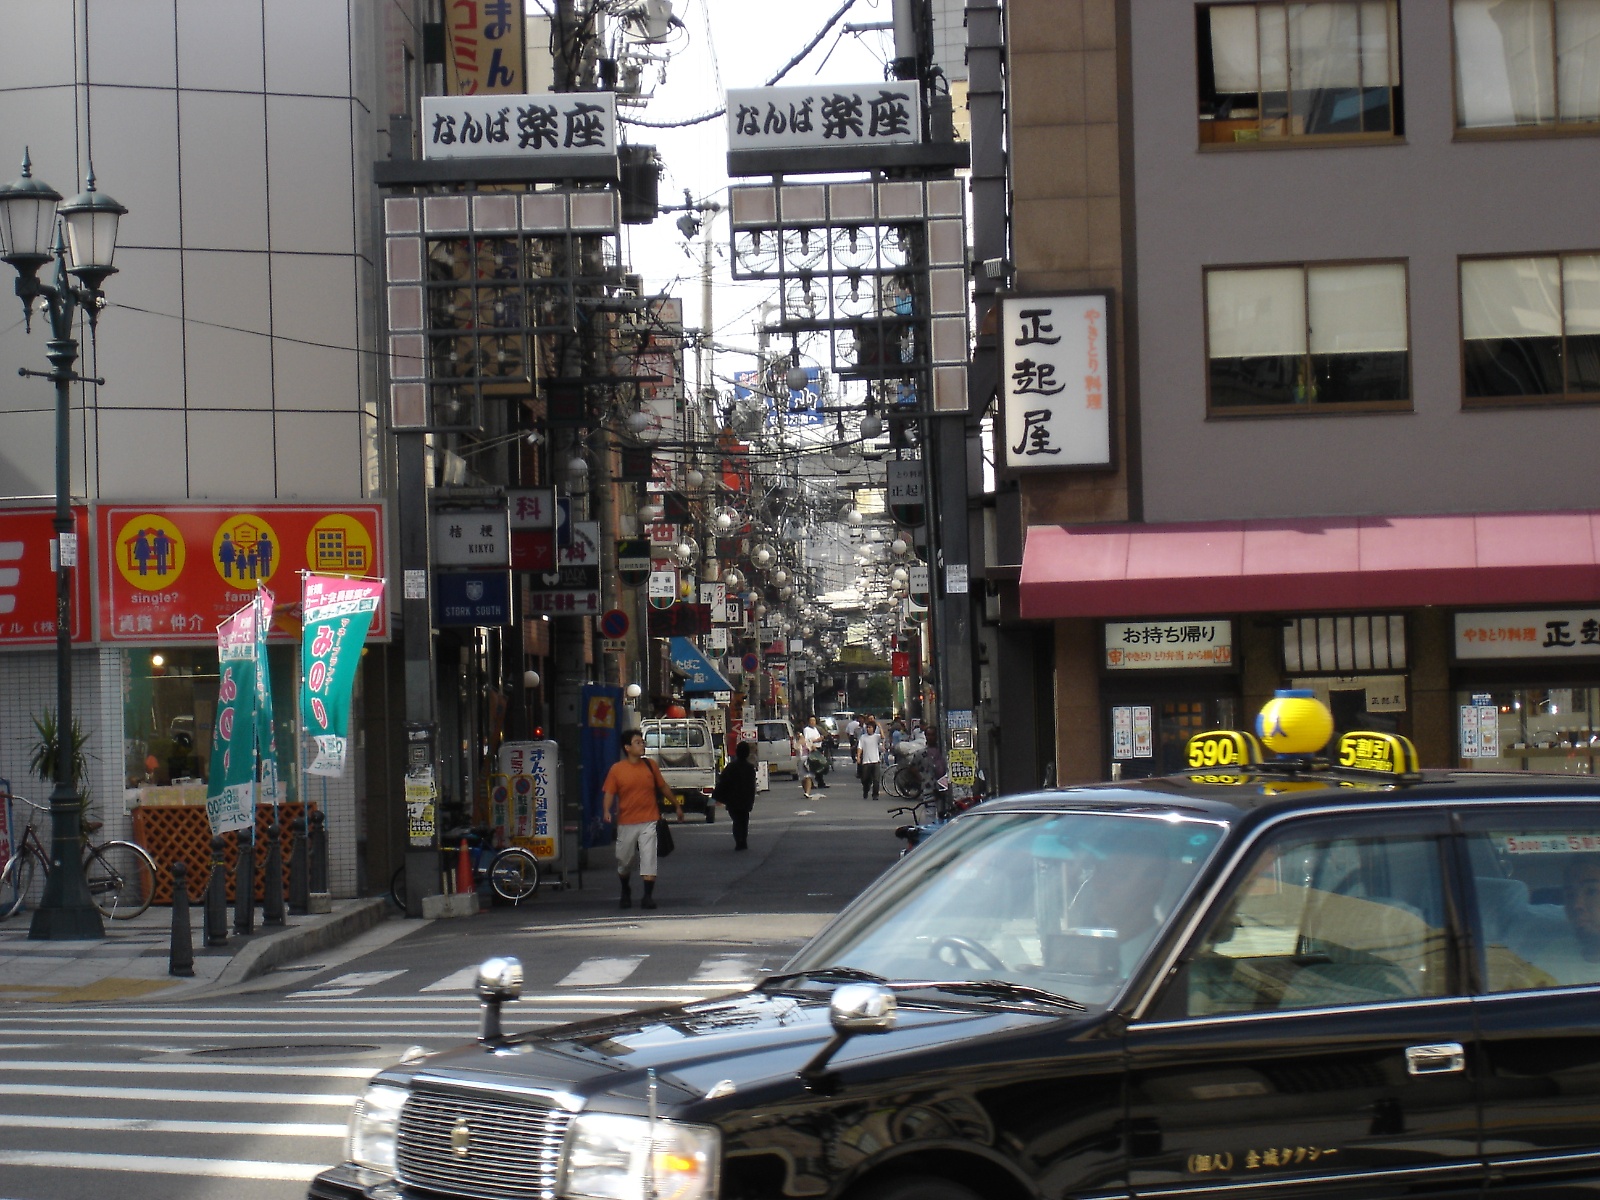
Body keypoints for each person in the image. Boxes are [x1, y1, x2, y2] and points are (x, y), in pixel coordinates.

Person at [601, 728, 675, 910]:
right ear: (627, 747)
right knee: (624, 861)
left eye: (642, 742)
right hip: (626, 822)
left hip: (649, 820)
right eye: (637, 742)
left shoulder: (650, 765)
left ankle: (647, 897)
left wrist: (676, 804)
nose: (642, 745)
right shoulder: (617, 770)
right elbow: (609, 792)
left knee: (648, 858)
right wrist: (606, 810)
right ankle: (625, 890)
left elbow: (663, 786)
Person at [714, 740, 758, 850]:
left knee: (737, 820)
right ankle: (743, 840)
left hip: (732, 799)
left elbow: (722, 782)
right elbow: (752, 787)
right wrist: (751, 800)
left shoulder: (730, 767)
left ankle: (739, 840)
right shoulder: (750, 768)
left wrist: (717, 796)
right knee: (744, 820)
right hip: (745, 799)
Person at [856, 714, 884, 802]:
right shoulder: (863, 737)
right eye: (867, 727)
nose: (869, 729)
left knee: (876, 779)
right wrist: (858, 757)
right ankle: (866, 790)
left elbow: (883, 737)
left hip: (875, 761)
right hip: (866, 761)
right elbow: (860, 747)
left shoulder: (876, 737)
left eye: (870, 727)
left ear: (874, 729)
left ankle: (875, 795)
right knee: (865, 779)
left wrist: (880, 726)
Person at [800, 716, 825, 797]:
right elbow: (807, 740)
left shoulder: (816, 729)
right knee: (813, 768)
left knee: (818, 766)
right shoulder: (806, 729)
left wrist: (821, 738)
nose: (813, 722)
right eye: (811, 721)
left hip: (818, 748)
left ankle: (819, 782)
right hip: (811, 750)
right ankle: (812, 784)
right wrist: (816, 740)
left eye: (814, 721)